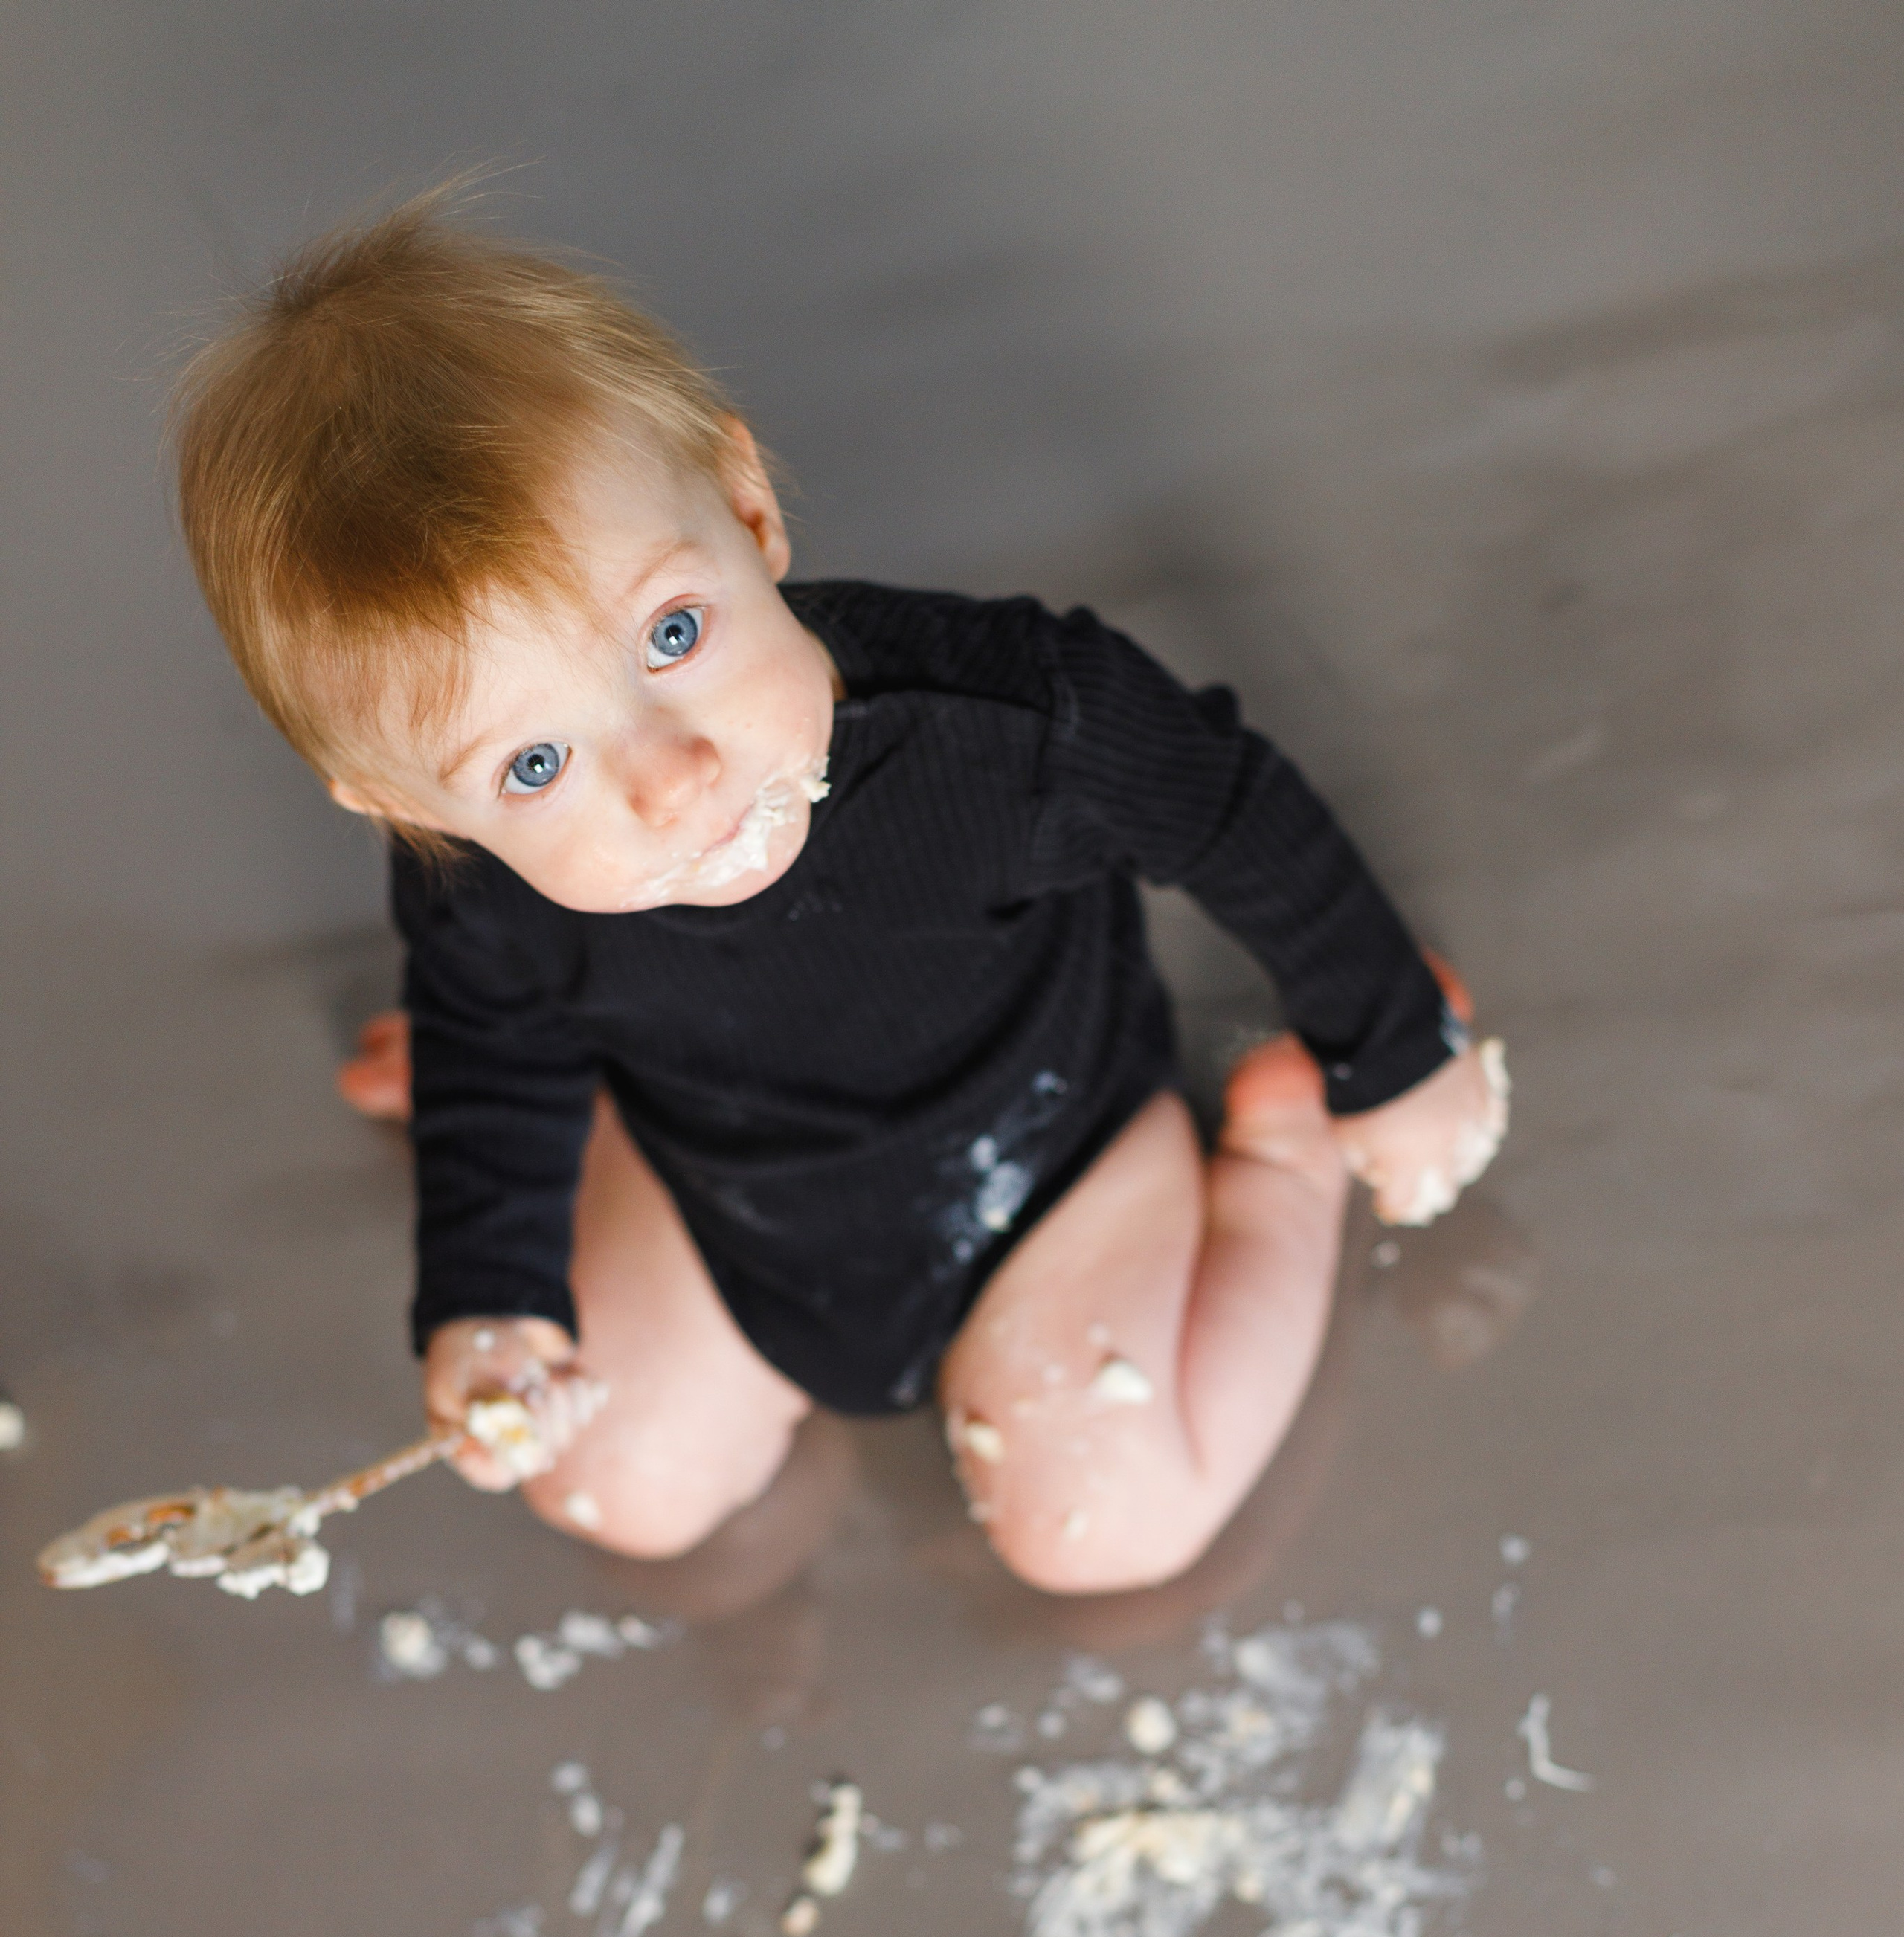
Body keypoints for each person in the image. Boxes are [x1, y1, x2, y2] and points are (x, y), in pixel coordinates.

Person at [170, 190, 1507, 1596]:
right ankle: (594, 1133)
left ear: (747, 510)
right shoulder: (477, 893)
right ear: (411, 812)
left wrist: (1391, 1043)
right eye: (538, 762)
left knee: (1104, 1527)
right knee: (611, 1478)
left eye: (672, 634)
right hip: (722, 1188)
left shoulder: (1004, 728)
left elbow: (1232, 811)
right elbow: (494, 1036)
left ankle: (1279, 1173)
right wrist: (493, 1295)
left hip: (1057, 1167)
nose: (672, 779)